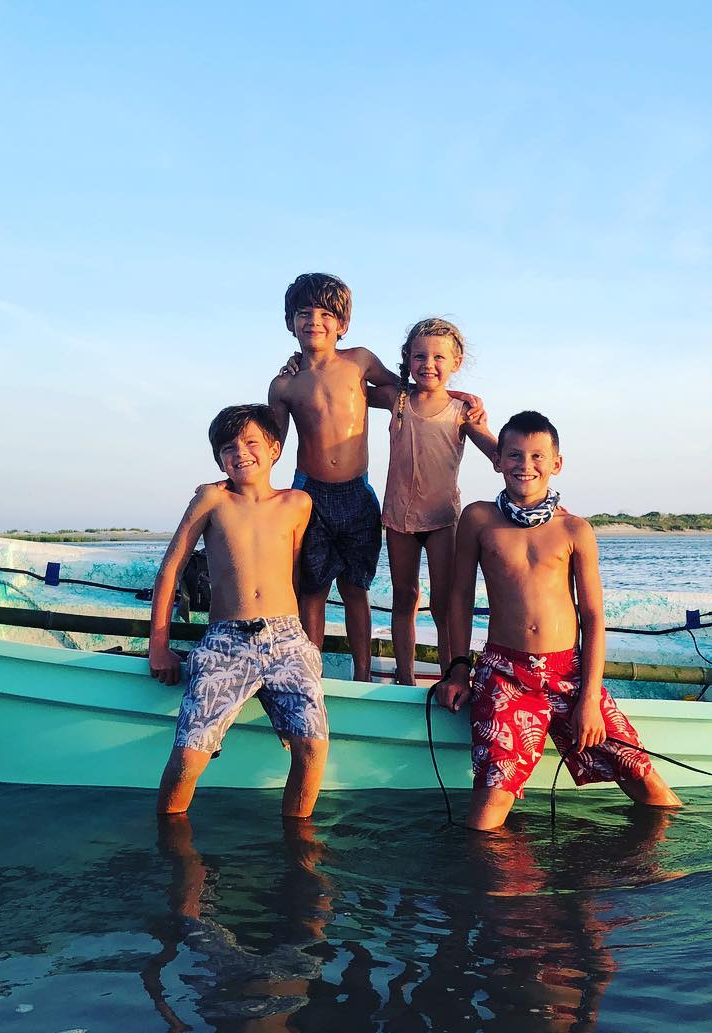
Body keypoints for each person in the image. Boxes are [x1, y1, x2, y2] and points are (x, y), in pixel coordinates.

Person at [436, 410, 682, 830]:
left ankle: (663, 882)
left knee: (650, 788)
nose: (524, 465)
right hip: (504, 673)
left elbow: (592, 615)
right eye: (513, 455)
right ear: (497, 460)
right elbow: (458, 597)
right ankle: (491, 893)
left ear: (556, 463)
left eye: (537, 456)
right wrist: (457, 670)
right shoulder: (478, 519)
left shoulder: (574, 529)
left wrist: (588, 699)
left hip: (568, 672)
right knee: (488, 811)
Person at [268, 275, 483, 681]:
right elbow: (273, 444)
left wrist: (456, 398)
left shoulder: (360, 361)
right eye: (304, 314)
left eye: (326, 314)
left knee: (355, 588)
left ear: (342, 324)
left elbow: (408, 390)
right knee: (311, 590)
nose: (315, 321)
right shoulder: (284, 384)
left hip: (357, 494)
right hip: (309, 493)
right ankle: (309, 677)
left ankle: (363, 674)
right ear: (289, 322)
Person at [150, 404, 328, 818]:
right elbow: (171, 569)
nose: (241, 452)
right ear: (219, 460)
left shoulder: (298, 503)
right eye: (228, 447)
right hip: (227, 640)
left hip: (286, 638)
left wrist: (309, 644)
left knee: (313, 747)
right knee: (189, 757)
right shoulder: (212, 498)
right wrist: (159, 645)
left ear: (275, 450)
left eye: (251, 442)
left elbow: (298, 576)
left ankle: (297, 849)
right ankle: (171, 844)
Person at [371, 318, 497, 684]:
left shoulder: (462, 412)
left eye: (439, 357)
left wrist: (538, 483)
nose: (429, 364)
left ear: (456, 363)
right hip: (397, 518)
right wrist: (299, 365)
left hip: (443, 519)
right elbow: (350, 386)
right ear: (407, 359)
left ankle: (449, 676)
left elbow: (496, 451)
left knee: (444, 603)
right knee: (404, 596)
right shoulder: (397, 399)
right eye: (420, 356)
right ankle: (405, 676)